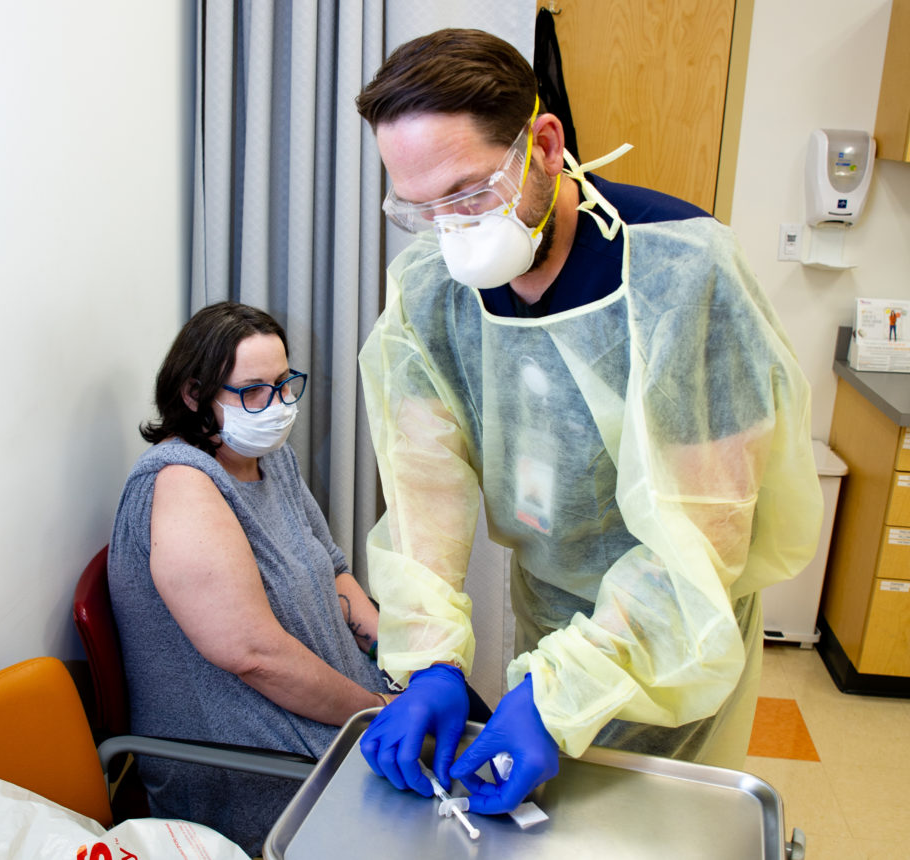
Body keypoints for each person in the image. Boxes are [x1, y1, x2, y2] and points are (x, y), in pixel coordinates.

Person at [354, 28, 823, 816]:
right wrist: (432, 657)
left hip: (679, 624)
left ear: (542, 143)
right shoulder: (430, 292)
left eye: (469, 194)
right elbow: (421, 487)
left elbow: (703, 538)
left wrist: (560, 688)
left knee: (653, 826)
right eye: (421, 208)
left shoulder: (682, 275)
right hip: (550, 605)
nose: (453, 233)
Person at [107, 301, 394, 856]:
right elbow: (254, 655)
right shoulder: (182, 486)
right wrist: (376, 713)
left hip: (334, 713)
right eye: (253, 391)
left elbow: (334, 571)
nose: (279, 405)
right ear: (194, 396)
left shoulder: (267, 458)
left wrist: (400, 660)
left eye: (285, 384)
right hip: (250, 760)